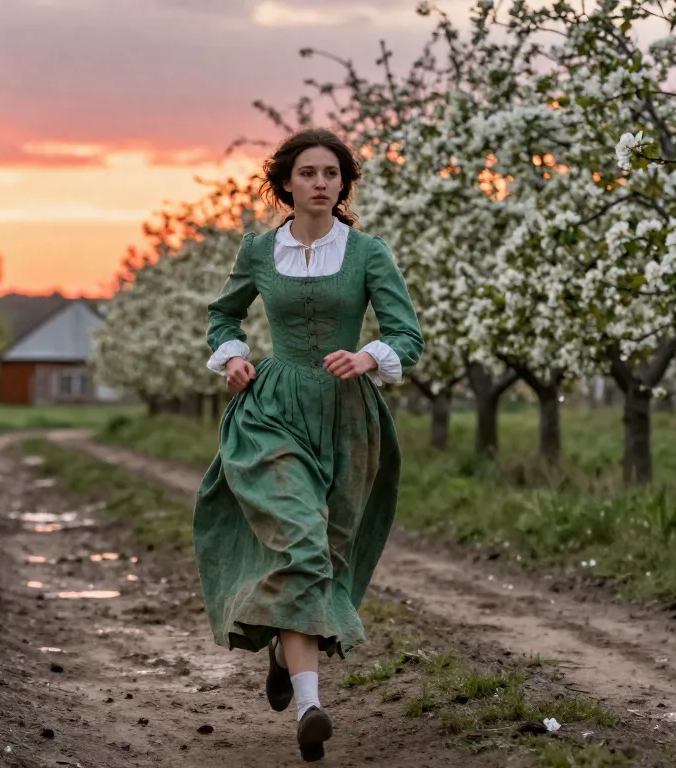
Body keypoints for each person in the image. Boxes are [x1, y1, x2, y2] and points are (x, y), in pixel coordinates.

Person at [192, 128, 424, 762]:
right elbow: (223, 314)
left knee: (327, 553)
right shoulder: (260, 251)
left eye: (331, 174)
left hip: (347, 418)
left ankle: (283, 650)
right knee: (301, 542)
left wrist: (368, 356)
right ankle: (310, 707)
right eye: (308, 173)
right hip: (272, 411)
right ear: (286, 184)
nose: (321, 183)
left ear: (342, 184)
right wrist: (233, 357)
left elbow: (407, 335)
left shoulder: (369, 253)